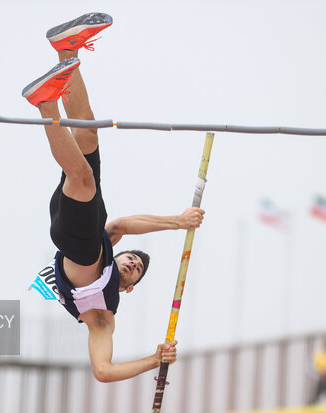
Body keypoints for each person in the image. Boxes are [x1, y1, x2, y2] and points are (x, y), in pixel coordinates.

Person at [21, 12, 205, 383]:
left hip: (76, 243)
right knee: (88, 137)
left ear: (128, 287)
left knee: (84, 178)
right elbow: (120, 225)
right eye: (133, 259)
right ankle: (66, 50)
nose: (132, 263)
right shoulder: (108, 240)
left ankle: (45, 105)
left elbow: (103, 371)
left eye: (135, 268)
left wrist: (155, 361)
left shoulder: (104, 316)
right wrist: (178, 222)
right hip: (79, 226)